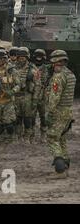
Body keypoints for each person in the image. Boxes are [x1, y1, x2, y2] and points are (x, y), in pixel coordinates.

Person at [45, 50, 76, 179]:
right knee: (61, 138)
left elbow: (54, 97)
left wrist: (49, 113)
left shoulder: (58, 76)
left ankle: (60, 170)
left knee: (52, 137)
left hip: (58, 111)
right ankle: (65, 165)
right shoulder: (70, 74)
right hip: (68, 110)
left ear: (55, 62)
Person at [14, 47, 41, 143]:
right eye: (20, 57)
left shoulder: (33, 69)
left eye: (23, 57)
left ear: (27, 57)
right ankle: (18, 136)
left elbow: (38, 85)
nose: (21, 59)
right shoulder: (13, 68)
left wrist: (35, 99)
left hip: (27, 96)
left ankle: (27, 137)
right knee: (17, 118)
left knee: (28, 119)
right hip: (16, 96)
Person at [32, 49, 51, 143]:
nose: (38, 59)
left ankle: (43, 135)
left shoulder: (47, 68)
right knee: (31, 117)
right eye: (37, 56)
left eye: (40, 57)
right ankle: (31, 136)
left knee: (43, 117)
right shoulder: (30, 67)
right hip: (32, 96)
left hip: (43, 96)